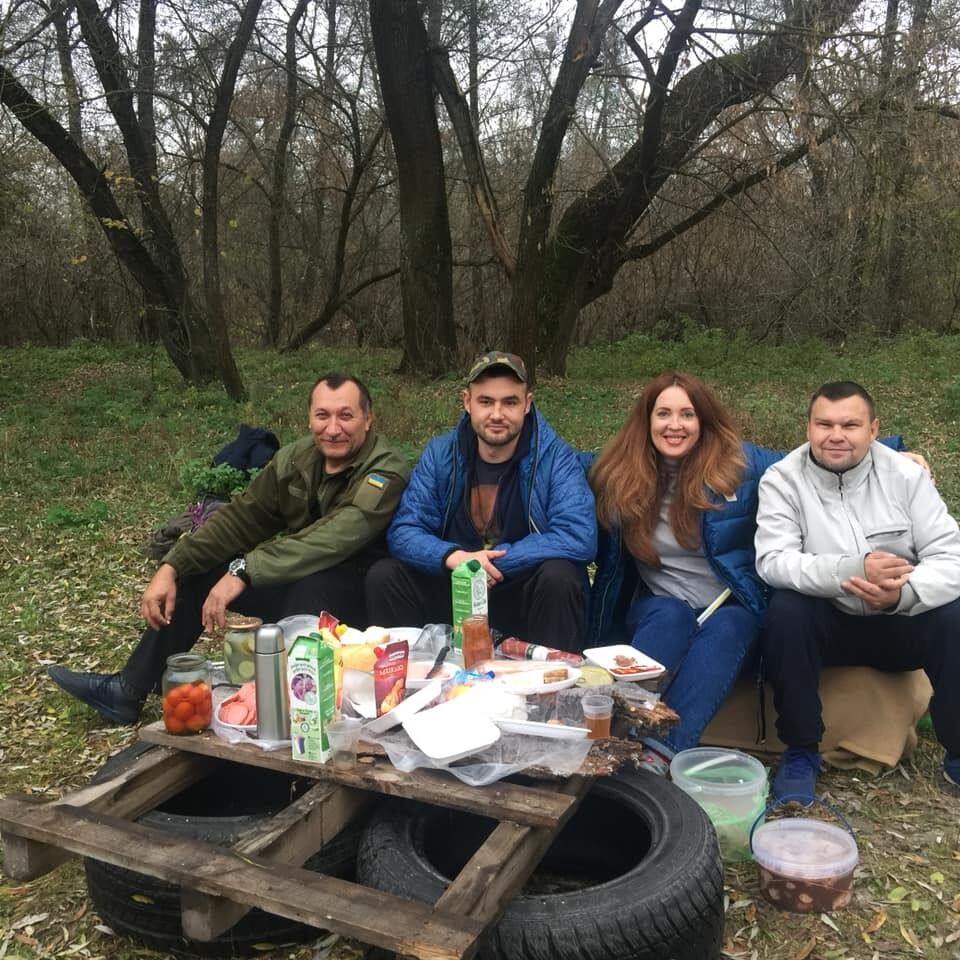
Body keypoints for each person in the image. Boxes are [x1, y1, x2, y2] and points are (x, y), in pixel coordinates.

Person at [49, 372, 410, 725]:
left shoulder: (385, 469)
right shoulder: (296, 460)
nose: (333, 428)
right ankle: (128, 690)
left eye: (346, 415)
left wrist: (245, 570)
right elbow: (241, 518)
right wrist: (172, 565)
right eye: (323, 415)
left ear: (368, 418)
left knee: (311, 586)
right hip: (298, 576)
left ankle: (287, 711)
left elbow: (334, 538)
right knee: (201, 571)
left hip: (360, 604)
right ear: (309, 418)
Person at [755, 381, 960, 802]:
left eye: (850, 424)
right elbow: (773, 559)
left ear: (873, 429)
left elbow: (950, 555)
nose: (836, 435)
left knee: (953, 614)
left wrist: (904, 594)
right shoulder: (782, 479)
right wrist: (850, 571)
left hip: (900, 619)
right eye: (824, 423)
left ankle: (957, 749)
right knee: (786, 610)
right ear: (807, 426)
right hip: (830, 623)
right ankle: (800, 751)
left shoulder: (906, 475)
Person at [589, 372, 783, 772]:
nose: (674, 425)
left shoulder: (741, 465)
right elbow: (547, 460)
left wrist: (888, 453)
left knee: (730, 626)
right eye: (663, 414)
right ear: (646, 421)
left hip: (729, 608)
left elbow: (814, 457)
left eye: (686, 415)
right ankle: (619, 734)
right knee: (670, 614)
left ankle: (659, 755)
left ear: (704, 421)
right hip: (660, 606)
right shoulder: (618, 471)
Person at [365, 351, 596, 651]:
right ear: (467, 402)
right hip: (452, 589)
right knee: (385, 575)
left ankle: (551, 687)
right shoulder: (440, 454)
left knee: (560, 576)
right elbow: (405, 529)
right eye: (485, 401)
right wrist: (456, 558)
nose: (497, 414)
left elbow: (578, 534)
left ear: (527, 404)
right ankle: (407, 682)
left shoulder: (554, 458)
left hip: (518, 591)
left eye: (509, 402)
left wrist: (493, 561)